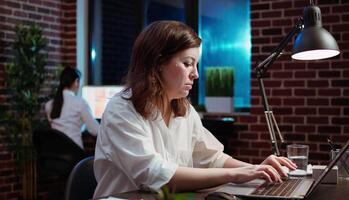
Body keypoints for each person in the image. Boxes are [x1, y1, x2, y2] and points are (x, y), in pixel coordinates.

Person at [93, 20, 297, 198]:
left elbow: (212, 157)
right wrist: (238, 174)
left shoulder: (184, 109)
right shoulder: (121, 109)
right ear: (157, 63)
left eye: (196, 65)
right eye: (187, 64)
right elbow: (157, 176)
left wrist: (256, 168)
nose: (196, 74)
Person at [45, 67, 99, 149]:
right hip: (74, 154)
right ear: (76, 82)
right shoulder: (80, 102)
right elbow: (95, 130)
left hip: (55, 154)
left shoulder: (49, 105)